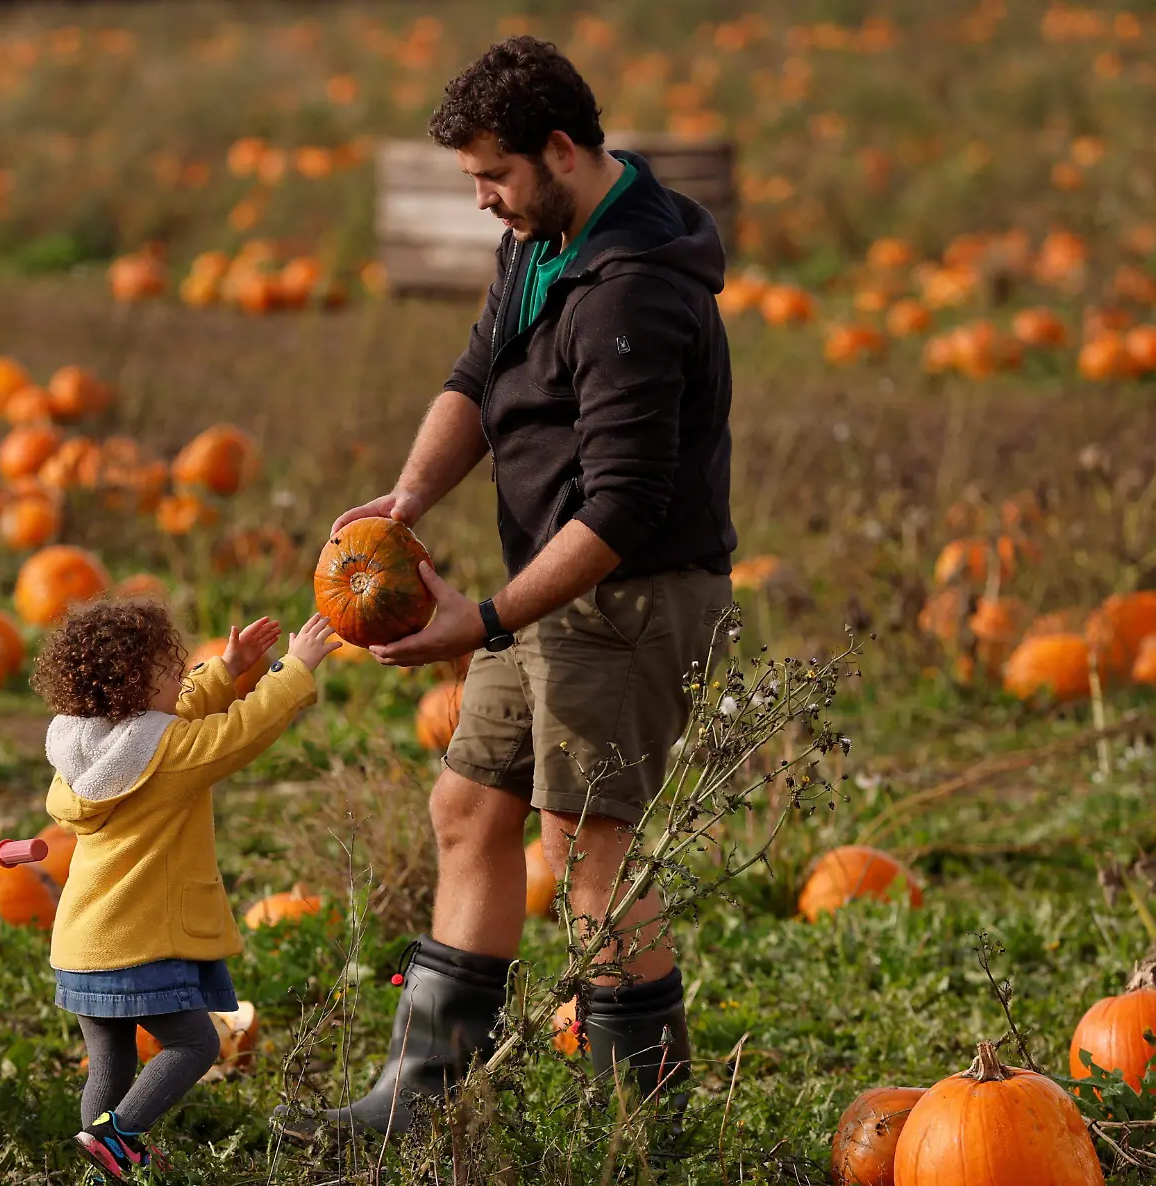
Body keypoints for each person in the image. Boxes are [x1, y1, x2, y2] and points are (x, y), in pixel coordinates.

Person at [284, 36, 736, 1137]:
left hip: (625, 597)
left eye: (495, 176)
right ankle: (419, 1093)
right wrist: (405, 501)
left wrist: (479, 619)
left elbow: (622, 508)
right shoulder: (543, 239)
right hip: (547, 586)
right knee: (467, 808)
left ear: (563, 150)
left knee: (586, 847)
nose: (484, 200)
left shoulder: (631, 292)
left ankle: (644, 1118)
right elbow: (477, 377)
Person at [31, 602, 342, 1180]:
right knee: (196, 1045)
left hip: (82, 945)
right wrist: (293, 670)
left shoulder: (82, 748)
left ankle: (102, 1160)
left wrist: (226, 669)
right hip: (140, 939)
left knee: (110, 1062)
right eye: (168, 668)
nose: (180, 676)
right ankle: (120, 1137)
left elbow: (166, 719)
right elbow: (238, 733)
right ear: (136, 684)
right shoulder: (167, 755)